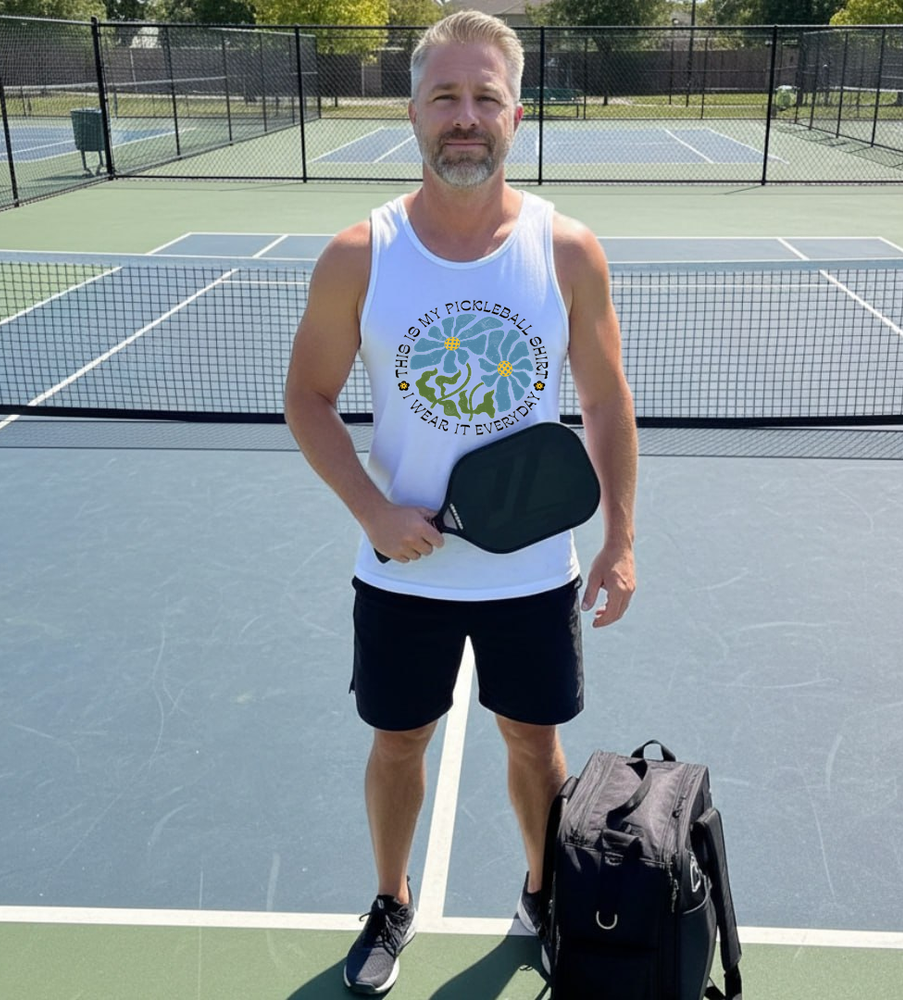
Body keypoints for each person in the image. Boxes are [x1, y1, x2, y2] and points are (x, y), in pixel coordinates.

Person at [285, 10, 637, 995]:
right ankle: (392, 901)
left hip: (532, 571)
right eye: (446, 96)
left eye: (485, 97)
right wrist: (369, 510)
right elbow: (304, 398)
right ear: (413, 111)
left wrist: (619, 538)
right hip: (403, 571)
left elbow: (607, 402)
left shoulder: (567, 250)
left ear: (516, 115)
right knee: (399, 739)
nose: (465, 117)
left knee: (536, 742)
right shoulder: (361, 252)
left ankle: (545, 892)